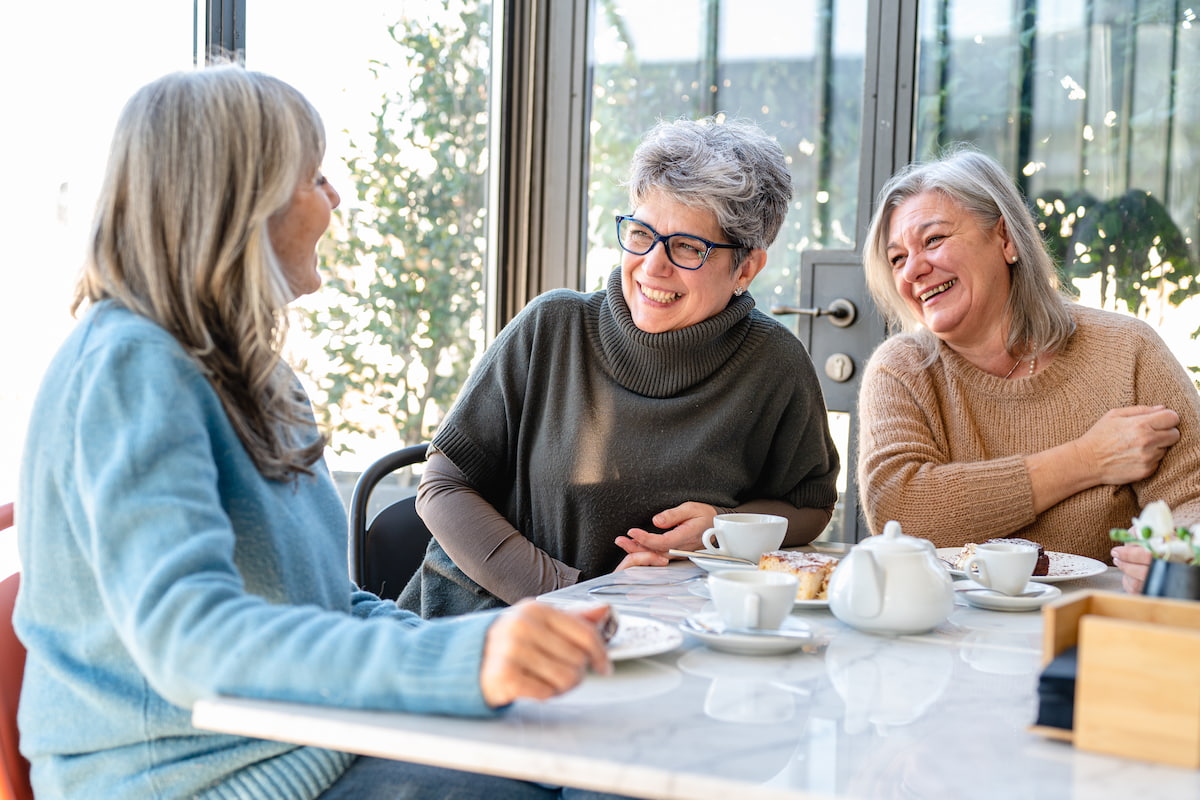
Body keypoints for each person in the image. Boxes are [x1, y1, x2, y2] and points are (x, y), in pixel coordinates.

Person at [13, 65, 636, 800]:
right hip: (191, 778)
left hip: (305, 742)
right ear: (241, 203)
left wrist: (489, 648)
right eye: (315, 177)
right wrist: (465, 662)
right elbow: (189, 640)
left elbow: (323, 606)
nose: (335, 199)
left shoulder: (259, 378)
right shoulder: (129, 369)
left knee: (603, 756)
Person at [400, 117, 841, 618]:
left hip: (668, 638)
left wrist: (725, 526)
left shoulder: (774, 363)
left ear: (745, 268)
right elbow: (442, 486)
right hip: (490, 627)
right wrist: (577, 593)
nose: (653, 265)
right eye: (641, 233)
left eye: (687, 247)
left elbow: (808, 506)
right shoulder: (553, 327)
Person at [856, 145, 1200, 593]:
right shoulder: (901, 369)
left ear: (1006, 239)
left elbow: (1193, 496)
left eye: (934, 239)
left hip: (1090, 628)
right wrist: (1087, 459)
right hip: (945, 629)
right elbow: (900, 509)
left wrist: (1177, 546)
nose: (914, 270)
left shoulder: (1128, 351)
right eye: (897, 258)